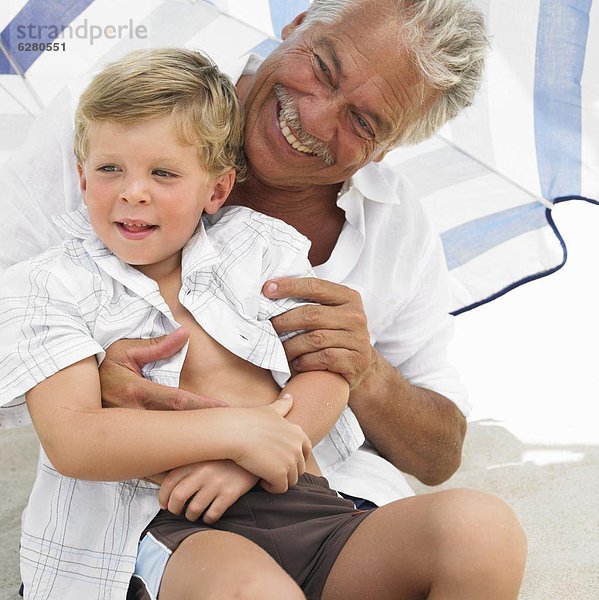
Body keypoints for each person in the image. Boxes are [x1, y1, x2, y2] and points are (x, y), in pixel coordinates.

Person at [0, 1, 528, 599]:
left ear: (388, 148)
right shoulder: (117, 117)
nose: (314, 115)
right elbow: (53, 400)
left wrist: (364, 371)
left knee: (482, 529)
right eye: (324, 68)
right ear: (299, 22)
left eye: (363, 122)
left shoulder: (277, 245)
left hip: (317, 502)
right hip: (159, 518)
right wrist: (94, 381)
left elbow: (435, 449)